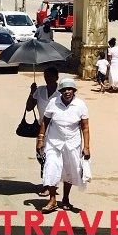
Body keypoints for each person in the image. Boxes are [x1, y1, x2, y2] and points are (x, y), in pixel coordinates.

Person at [36, 78, 90, 213]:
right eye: (64, 90)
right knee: (51, 168)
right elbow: (45, 122)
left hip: (73, 143)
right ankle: (52, 200)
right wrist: (41, 139)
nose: (67, 92)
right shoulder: (53, 103)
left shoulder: (80, 105)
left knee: (70, 171)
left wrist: (87, 147)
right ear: (60, 91)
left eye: (70, 89)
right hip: (54, 142)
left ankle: (65, 199)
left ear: (74, 91)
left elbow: (85, 127)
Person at [26, 67, 60, 196]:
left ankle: (49, 185)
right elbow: (29, 108)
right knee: (41, 156)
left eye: (51, 76)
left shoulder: (61, 93)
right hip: (42, 129)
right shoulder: (40, 91)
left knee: (52, 158)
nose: (48, 78)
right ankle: (48, 182)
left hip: (57, 131)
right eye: (46, 76)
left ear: (57, 77)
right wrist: (32, 92)